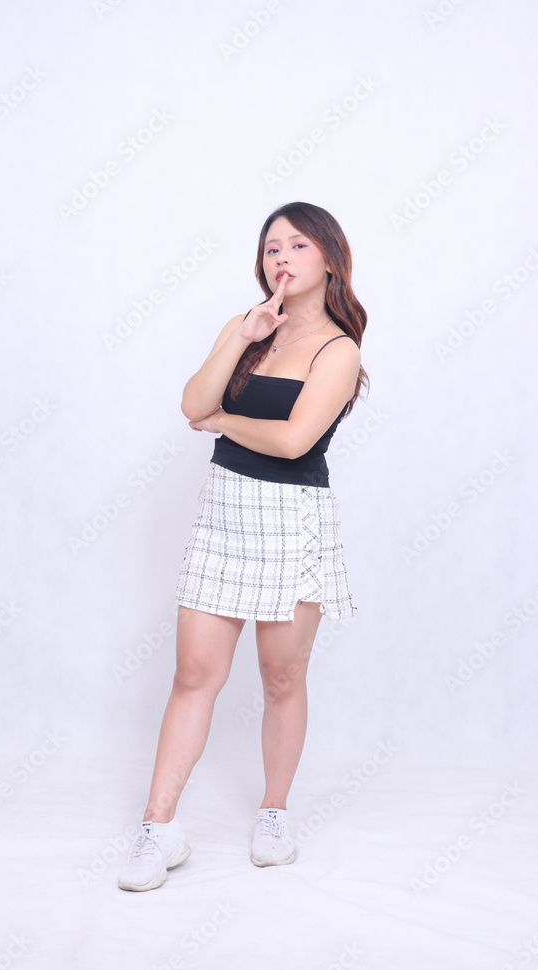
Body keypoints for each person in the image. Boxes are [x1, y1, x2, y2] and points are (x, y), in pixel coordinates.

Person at [117, 201, 369, 892]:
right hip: (223, 516)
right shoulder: (248, 326)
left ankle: (274, 814)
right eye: (270, 248)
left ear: (329, 258)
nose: (281, 257)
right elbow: (190, 404)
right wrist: (242, 337)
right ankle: (158, 828)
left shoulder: (338, 351)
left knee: (281, 678)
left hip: (292, 519)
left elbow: (292, 441)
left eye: (297, 245)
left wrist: (224, 419)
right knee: (193, 674)